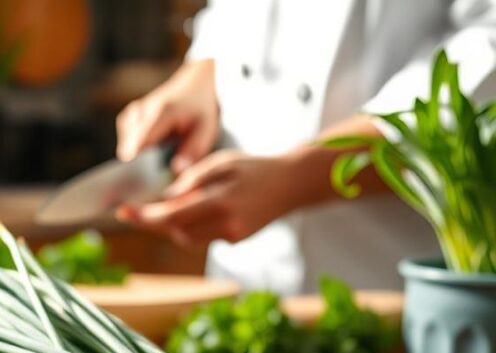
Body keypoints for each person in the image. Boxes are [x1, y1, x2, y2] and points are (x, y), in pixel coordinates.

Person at [115, 0, 496, 293]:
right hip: (243, 280)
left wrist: (300, 177)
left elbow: (486, 46)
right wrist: (201, 74)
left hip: (390, 284)